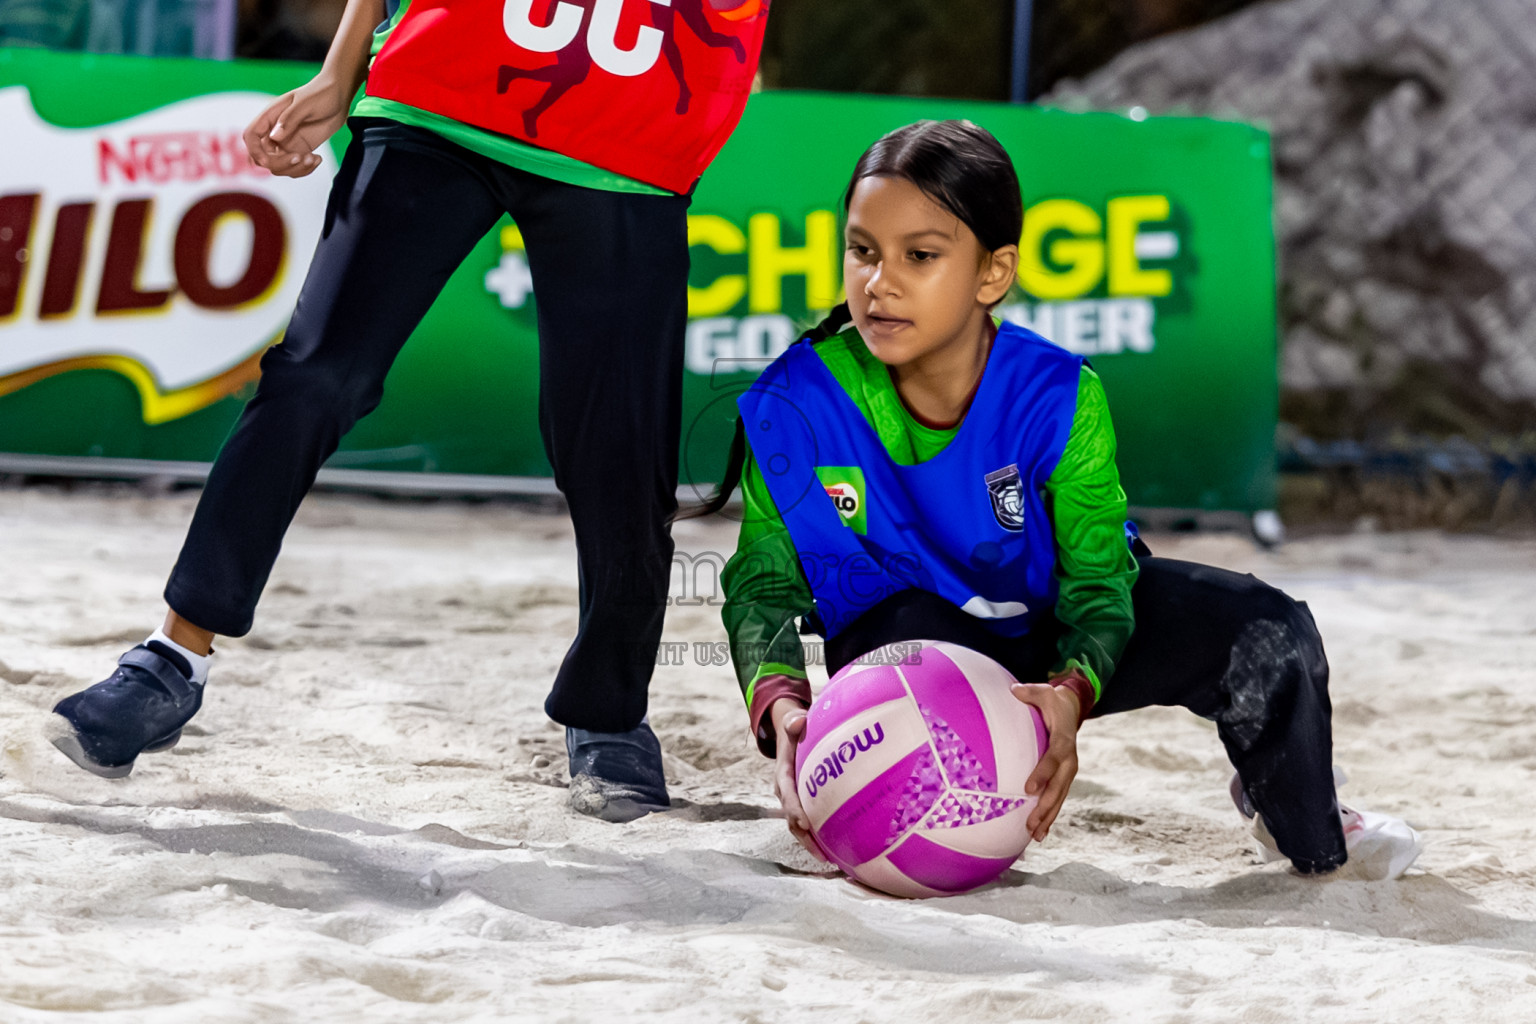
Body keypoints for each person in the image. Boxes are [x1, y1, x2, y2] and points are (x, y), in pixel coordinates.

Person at [48, 0, 772, 823]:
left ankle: (607, 713)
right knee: (315, 374)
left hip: (625, 133)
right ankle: (172, 660)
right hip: (440, 87)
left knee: (617, 445)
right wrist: (341, 66)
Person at [686, 119, 1421, 880]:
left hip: (1053, 629)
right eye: (863, 251)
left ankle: (1294, 811)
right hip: (912, 649)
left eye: (921, 256)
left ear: (992, 274)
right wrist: (783, 709)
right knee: (902, 627)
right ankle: (871, 814)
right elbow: (765, 586)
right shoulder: (795, 402)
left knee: (1270, 630)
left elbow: (1101, 583)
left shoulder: (1060, 395)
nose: (880, 282)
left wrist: (1073, 689)